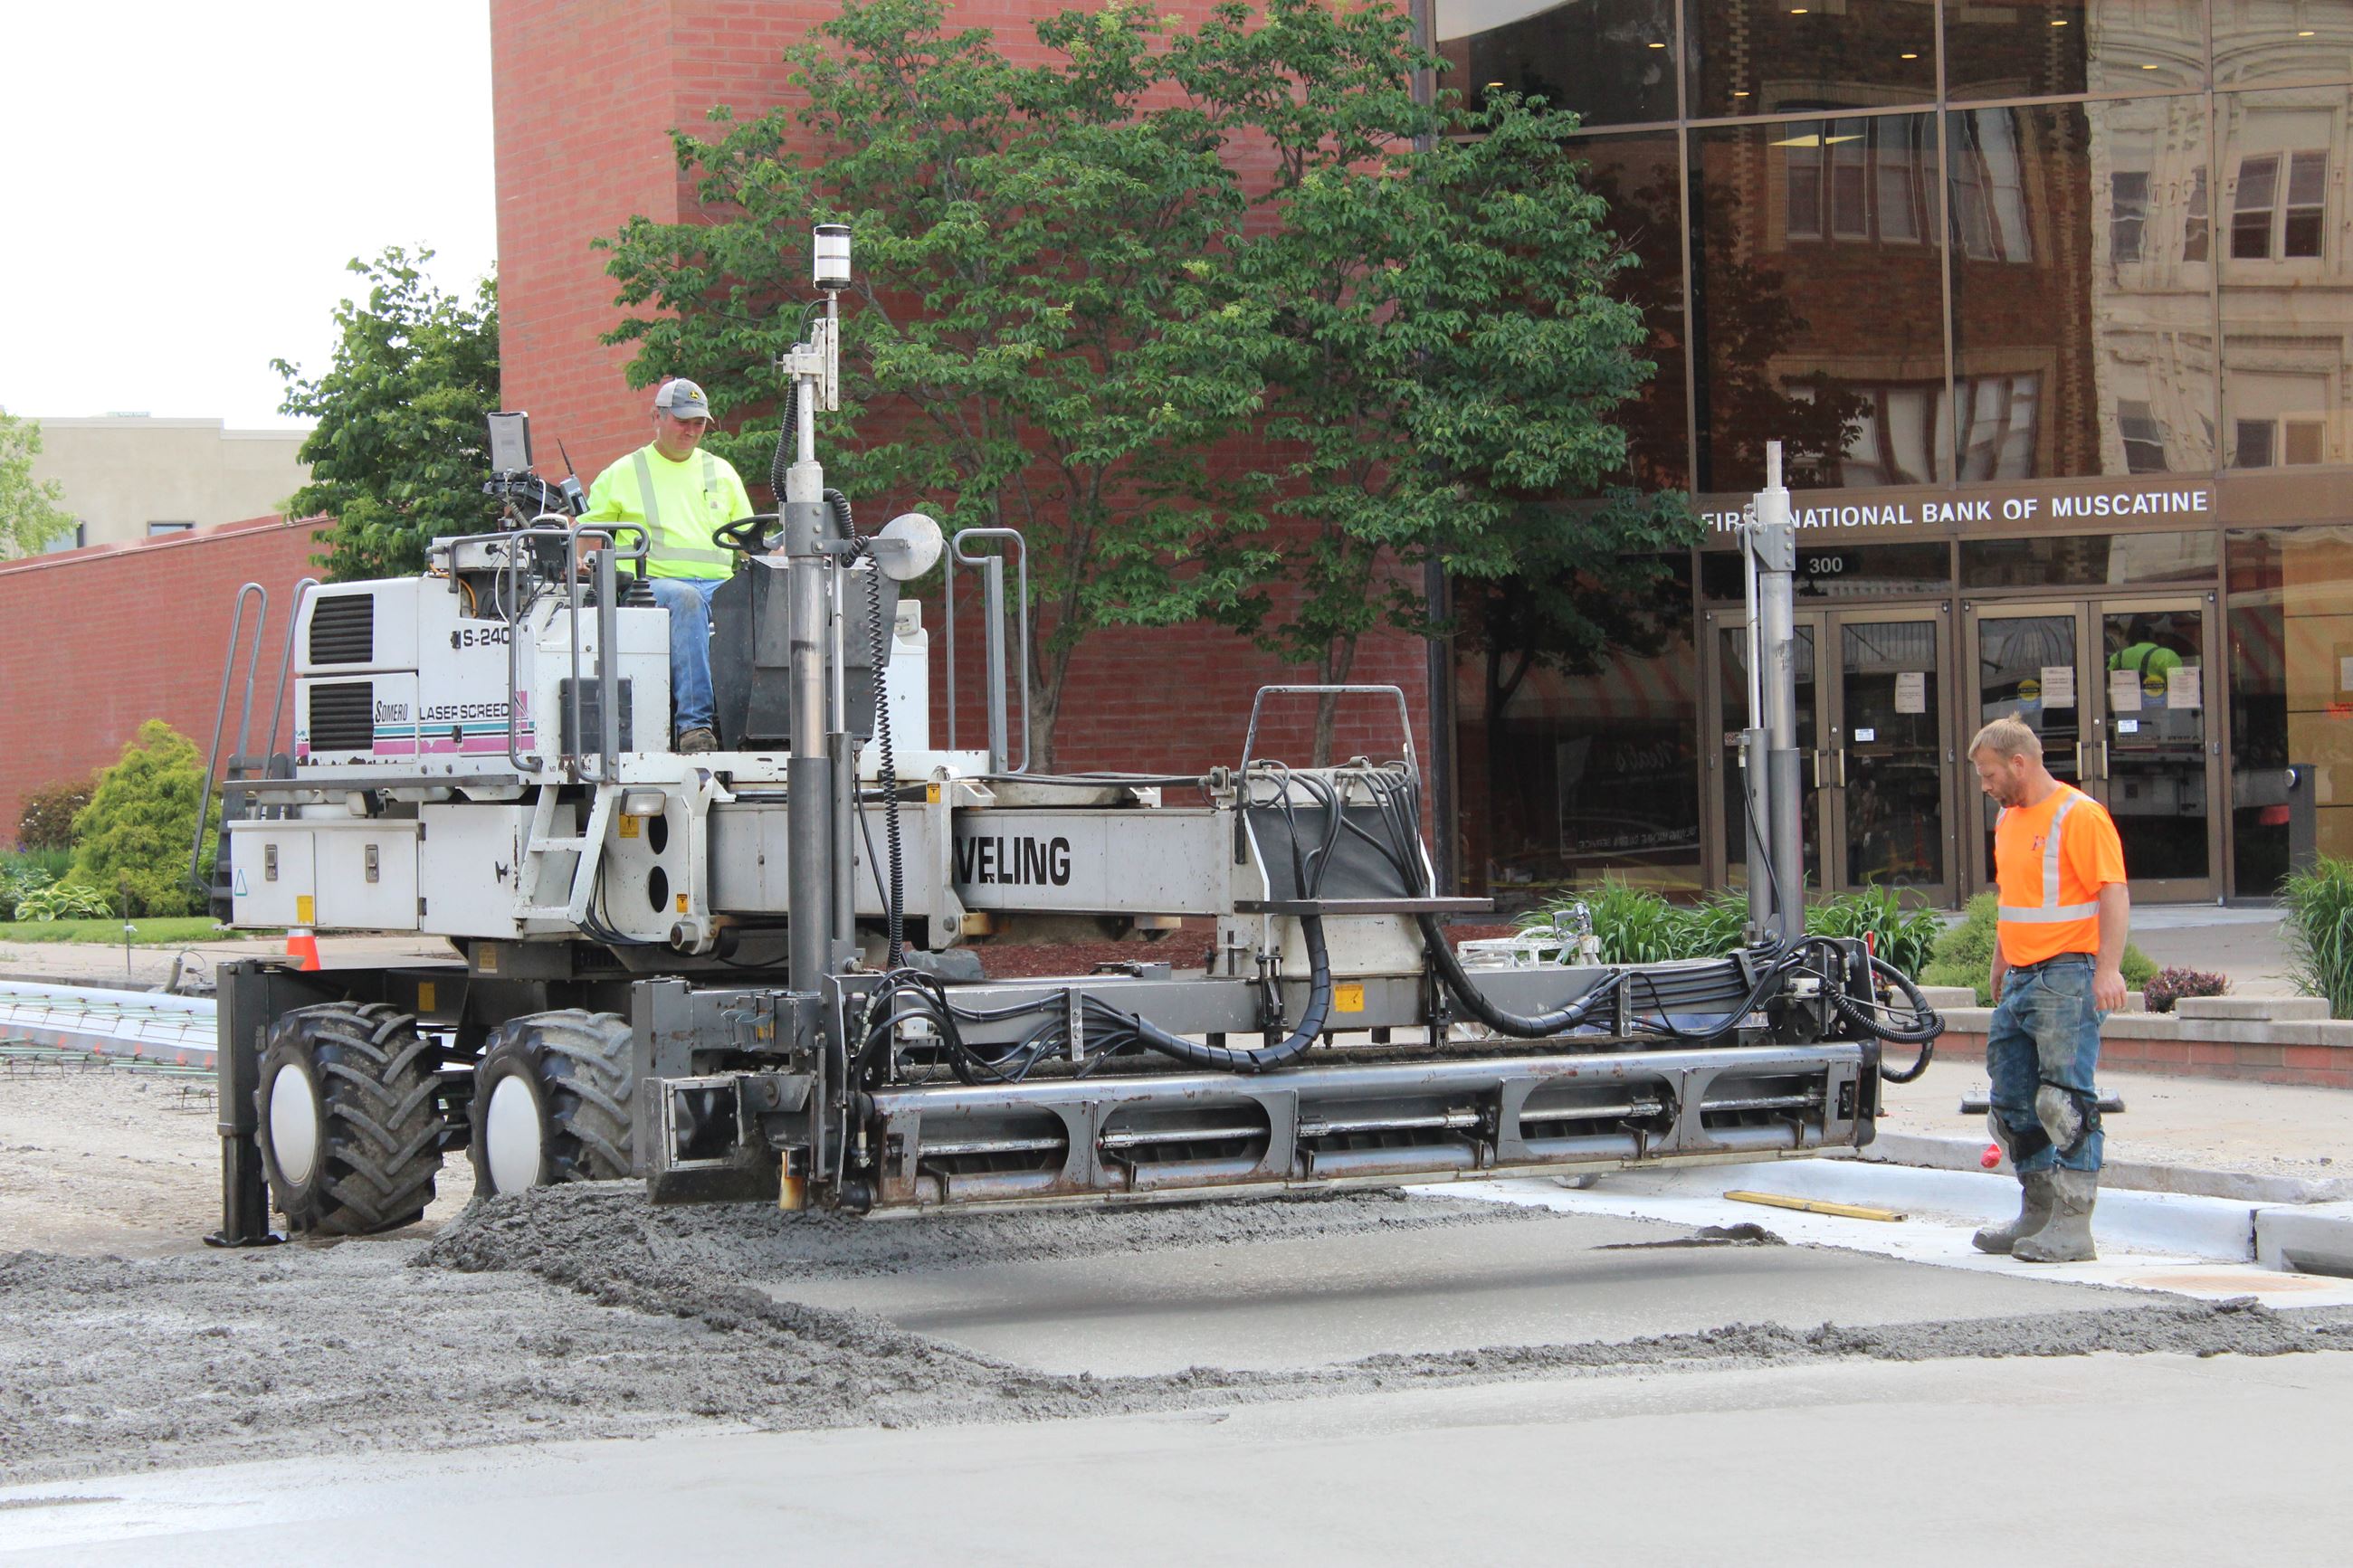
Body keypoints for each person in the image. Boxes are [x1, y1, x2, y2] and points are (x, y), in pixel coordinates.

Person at [1966, 715, 2129, 1263]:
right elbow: (2013, 895)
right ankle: (2036, 1212)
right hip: (2021, 976)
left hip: (2068, 976)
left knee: (2064, 1100)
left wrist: (2108, 969)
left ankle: (2074, 1225)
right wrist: (2001, 959)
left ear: (2019, 763)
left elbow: (2113, 892)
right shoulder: (2008, 819)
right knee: (2011, 1098)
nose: (1985, 785)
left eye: (1989, 774)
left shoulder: (2079, 815)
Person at [582, 377, 755, 754]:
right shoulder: (624, 472)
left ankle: (761, 725)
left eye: (699, 423)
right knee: (687, 599)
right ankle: (695, 726)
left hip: (718, 586)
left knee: (764, 600)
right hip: (651, 587)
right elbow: (584, 530)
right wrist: (570, 556)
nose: (691, 431)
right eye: (682, 421)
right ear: (656, 417)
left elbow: (748, 541)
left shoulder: (721, 472)